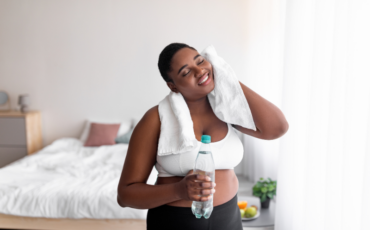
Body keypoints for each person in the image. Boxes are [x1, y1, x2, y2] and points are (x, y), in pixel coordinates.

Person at [117, 43, 289, 230]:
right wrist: (178, 190)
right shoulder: (156, 119)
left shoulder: (226, 108)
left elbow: (278, 127)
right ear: (172, 86)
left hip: (229, 219)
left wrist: (227, 79)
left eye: (200, 61)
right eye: (186, 72)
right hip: (175, 222)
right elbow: (125, 195)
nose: (200, 71)